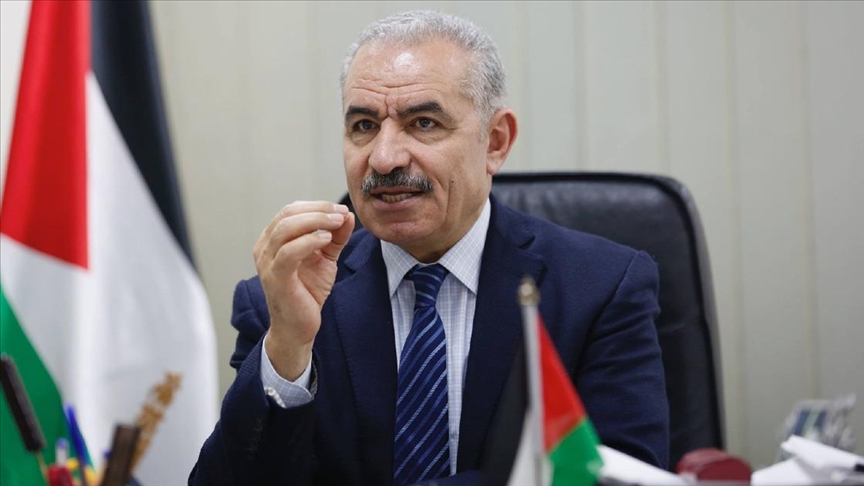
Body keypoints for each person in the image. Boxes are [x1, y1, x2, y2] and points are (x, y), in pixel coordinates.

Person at [190, 10, 668, 486]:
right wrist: (288, 346)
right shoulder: (285, 299)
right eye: (364, 125)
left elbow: (616, 476)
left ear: (495, 142)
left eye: (423, 122)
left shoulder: (601, 289)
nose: (384, 158)